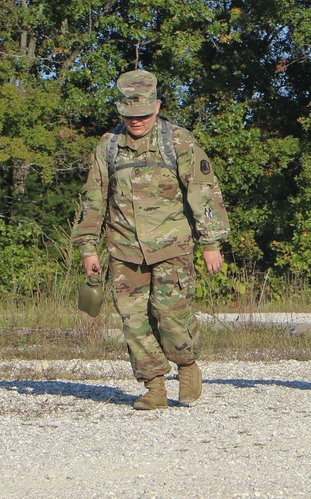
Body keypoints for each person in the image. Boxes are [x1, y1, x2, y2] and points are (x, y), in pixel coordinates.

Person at [72, 69, 230, 410]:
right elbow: (94, 198)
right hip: (125, 249)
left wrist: (211, 243)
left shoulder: (177, 141)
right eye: (129, 115)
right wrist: (88, 247)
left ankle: (187, 366)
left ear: (157, 107)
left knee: (170, 313)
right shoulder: (109, 146)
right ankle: (154, 387)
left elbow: (203, 193)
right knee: (133, 321)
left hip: (172, 245)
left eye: (143, 114)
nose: (136, 121)